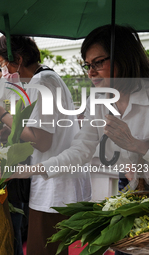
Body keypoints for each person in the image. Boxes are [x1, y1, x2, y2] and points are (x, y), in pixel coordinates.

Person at [18, 25, 149, 255]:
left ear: (124, 57)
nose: (91, 72)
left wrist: (136, 145)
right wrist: (38, 169)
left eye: (98, 62)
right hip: (132, 201)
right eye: (87, 65)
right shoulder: (99, 100)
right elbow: (80, 150)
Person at [0, 35, 91, 255]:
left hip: (54, 182)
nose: (3, 71)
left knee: (42, 248)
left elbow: (43, 141)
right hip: (58, 176)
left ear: (17, 59)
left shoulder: (41, 82)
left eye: (2, 64)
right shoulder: (46, 77)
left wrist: (3, 115)